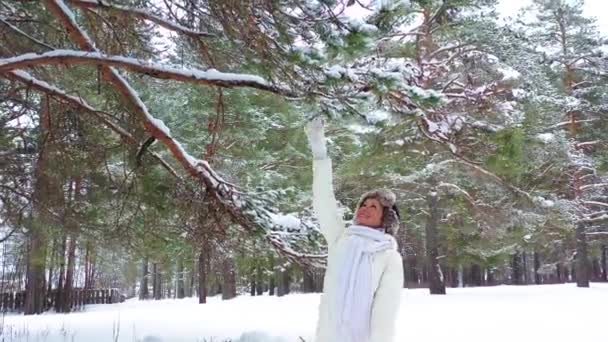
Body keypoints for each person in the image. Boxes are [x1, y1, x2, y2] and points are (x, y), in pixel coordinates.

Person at [305, 117, 404, 342]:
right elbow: (323, 201)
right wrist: (319, 152)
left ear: (385, 218)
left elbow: (385, 312)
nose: (365, 209)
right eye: (363, 204)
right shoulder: (342, 238)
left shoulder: (388, 256)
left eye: (373, 206)